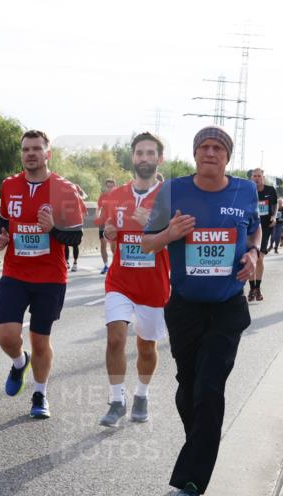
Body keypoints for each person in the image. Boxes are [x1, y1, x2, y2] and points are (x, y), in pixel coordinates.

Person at [141, 126, 260, 496]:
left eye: (218, 148)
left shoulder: (244, 191)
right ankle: (201, 444)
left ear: (227, 156)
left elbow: (255, 228)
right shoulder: (173, 190)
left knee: (210, 389)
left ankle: (190, 485)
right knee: (187, 388)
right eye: (204, 147)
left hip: (227, 307)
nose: (210, 153)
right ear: (195, 154)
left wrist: (254, 253)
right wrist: (169, 234)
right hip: (185, 308)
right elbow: (145, 242)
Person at [0, 130, 87, 419]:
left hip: (49, 277)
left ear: (48, 154)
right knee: (7, 336)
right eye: (26, 149)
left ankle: (40, 394)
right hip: (15, 272)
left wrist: (53, 230)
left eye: (36, 149)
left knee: (39, 340)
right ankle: (19, 362)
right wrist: (3, 238)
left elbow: (77, 237)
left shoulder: (65, 189)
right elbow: (4, 221)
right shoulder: (9, 185)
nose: (30, 154)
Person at [98, 132, 169, 427]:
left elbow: (178, 240)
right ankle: (117, 400)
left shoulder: (170, 196)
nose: (144, 158)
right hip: (120, 280)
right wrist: (109, 234)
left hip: (153, 283)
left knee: (146, 347)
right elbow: (111, 233)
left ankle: (141, 393)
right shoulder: (116, 196)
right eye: (139, 153)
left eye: (150, 153)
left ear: (159, 159)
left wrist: (151, 225)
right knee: (115, 339)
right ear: (133, 158)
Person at [248, 167, 277, 301]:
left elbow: (275, 205)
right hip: (250, 228)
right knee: (250, 257)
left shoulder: (270, 190)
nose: (257, 178)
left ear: (263, 178)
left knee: (259, 258)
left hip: (265, 227)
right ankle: (251, 288)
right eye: (255, 176)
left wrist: (274, 216)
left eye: (259, 176)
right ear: (251, 178)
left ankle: (257, 287)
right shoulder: (247, 190)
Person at [96, 178, 117, 273]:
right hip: (102, 223)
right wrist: (97, 217)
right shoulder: (102, 196)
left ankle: (115, 265)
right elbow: (98, 208)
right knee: (103, 245)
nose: (110, 188)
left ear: (115, 186)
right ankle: (105, 266)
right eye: (108, 186)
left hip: (113, 224)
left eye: (111, 186)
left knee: (113, 247)